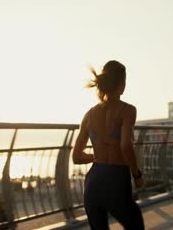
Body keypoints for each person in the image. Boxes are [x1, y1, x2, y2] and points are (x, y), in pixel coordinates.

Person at [72, 60, 145, 230]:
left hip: (92, 183)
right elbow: (125, 146)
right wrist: (137, 175)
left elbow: (76, 157)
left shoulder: (88, 115)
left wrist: (98, 157)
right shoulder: (127, 110)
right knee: (135, 224)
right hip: (115, 179)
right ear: (121, 84)